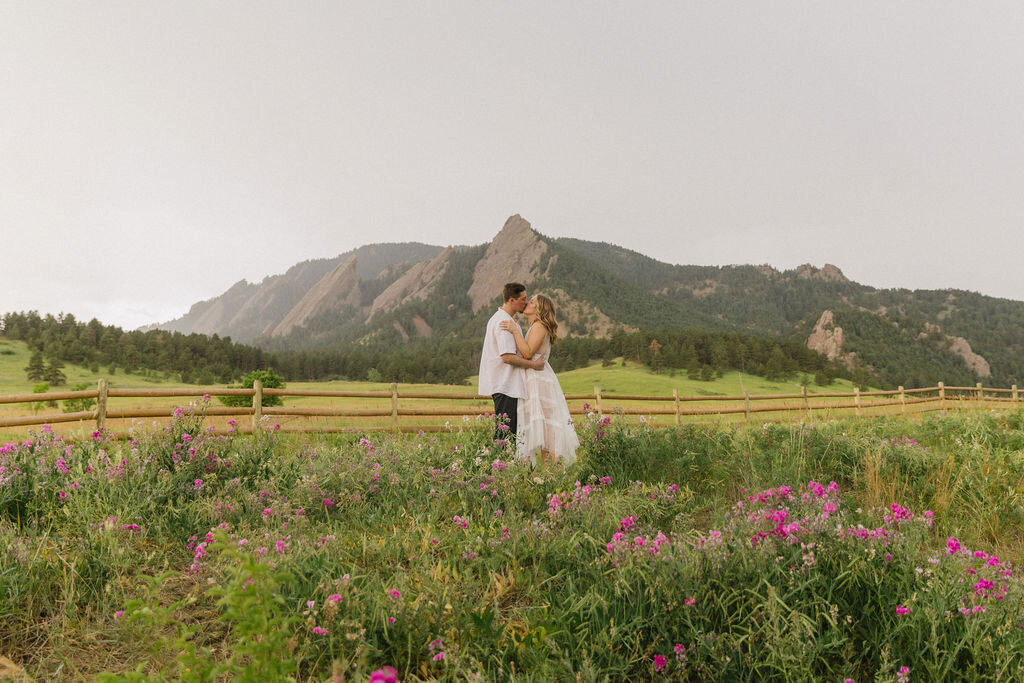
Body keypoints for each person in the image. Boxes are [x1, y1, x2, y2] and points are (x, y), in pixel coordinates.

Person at [499, 294, 580, 467]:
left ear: (540, 309)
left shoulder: (539, 326)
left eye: (533, 302)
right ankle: (548, 469)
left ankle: (552, 468)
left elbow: (527, 353)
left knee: (546, 426)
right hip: (534, 377)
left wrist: (514, 331)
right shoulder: (535, 327)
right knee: (543, 426)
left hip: (538, 379)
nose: (528, 303)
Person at [478, 283, 544, 445]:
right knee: (506, 434)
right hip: (505, 383)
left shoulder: (506, 320)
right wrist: (533, 365)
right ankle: (498, 467)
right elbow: (507, 357)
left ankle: (501, 466)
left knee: (508, 432)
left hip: (506, 384)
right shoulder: (503, 323)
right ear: (512, 300)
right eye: (523, 299)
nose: (526, 302)